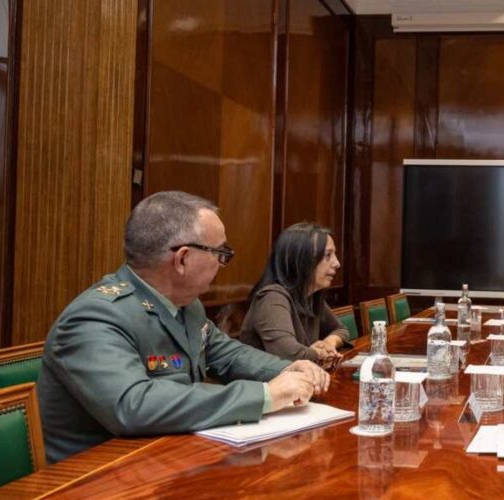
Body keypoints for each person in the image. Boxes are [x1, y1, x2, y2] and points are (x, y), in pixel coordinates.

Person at [36, 191, 330, 463]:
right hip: (97, 476)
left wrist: (286, 370)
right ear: (183, 259)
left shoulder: (187, 306)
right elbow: (134, 405)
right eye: (221, 254)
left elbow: (228, 353)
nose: (222, 264)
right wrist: (265, 395)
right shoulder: (96, 317)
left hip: (164, 458)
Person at [239, 223, 349, 364]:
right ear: (300, 259)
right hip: (267, 384)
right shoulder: (272, 297)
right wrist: (317, 352)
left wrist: (329, 343)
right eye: (328, 255)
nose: (337, 263)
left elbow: (340, 329)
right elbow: (288, 353)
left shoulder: (311, 295)